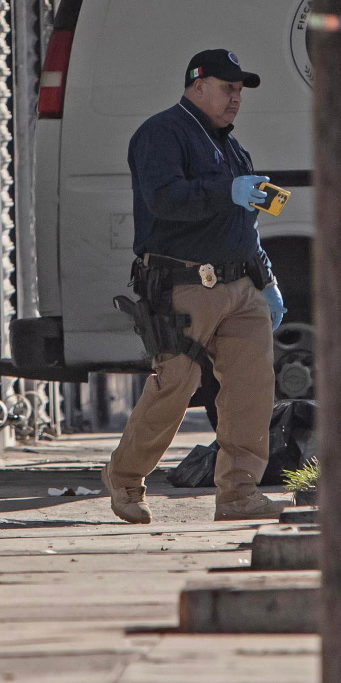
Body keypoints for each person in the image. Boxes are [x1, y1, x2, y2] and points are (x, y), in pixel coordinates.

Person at [102, 48, 288, 524]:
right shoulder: (161, 134)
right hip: (184, 282)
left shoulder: (229, 143)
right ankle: (125, 480)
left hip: (241, 284)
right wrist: (224, 191)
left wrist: (265, 279)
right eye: (228, 88)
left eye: (240, 91)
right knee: (175, 387)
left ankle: (239, 493)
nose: (236, 100)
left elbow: (247, 221)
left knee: (251, 391)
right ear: (197, 85)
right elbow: (163, 199)